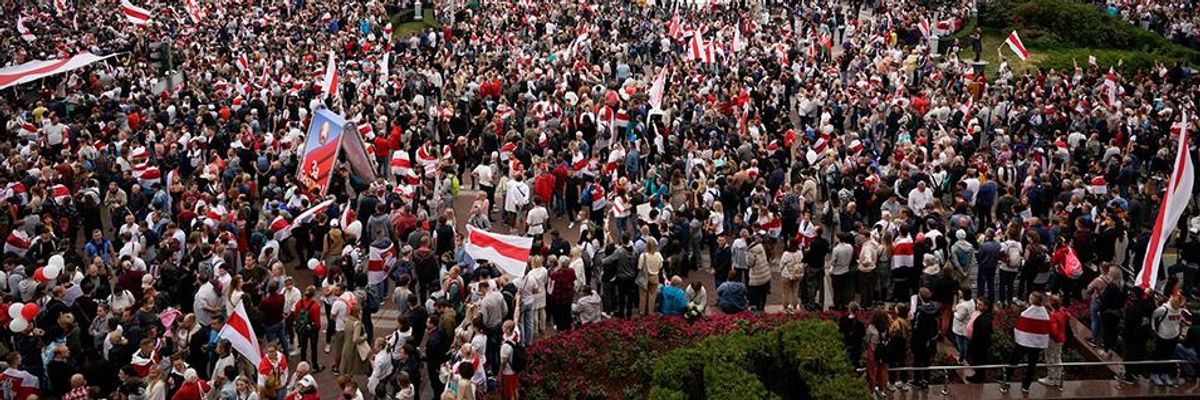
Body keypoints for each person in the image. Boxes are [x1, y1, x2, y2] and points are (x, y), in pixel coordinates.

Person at [1005, 292, 1050, 394]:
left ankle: (1007, 379)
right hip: (1036, 345)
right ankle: (1026, 386)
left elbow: (1020, 326)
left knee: (1014, 360)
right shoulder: (1045, 314)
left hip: (1023, 343)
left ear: (1032, 300)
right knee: (1032, 364)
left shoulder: (1026, 313)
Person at [1150, 292, 1187, 387]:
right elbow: (1153, 316)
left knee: (1169, 356)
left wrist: (1180, 328)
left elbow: (1179, 320)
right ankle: (1155, 374)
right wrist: (1153, 328)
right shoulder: (1163, 309)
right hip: (1163, 335)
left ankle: (1165, 374)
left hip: (1174, 335)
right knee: (1159, 355)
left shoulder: (1180, 309)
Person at [1040, 294, 1070, 388]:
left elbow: (1053, 330)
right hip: (1061, 338)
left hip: (1053, 339)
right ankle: (1058, 377)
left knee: (1050, 358)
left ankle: (1051, 378)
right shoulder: (1062, 312)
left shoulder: (1053, 315)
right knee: (1058, 357)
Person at [965, 297, 993, 383]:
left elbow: (984, 334)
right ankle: (977, 375)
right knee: (976, 361)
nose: (978, 306)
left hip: (979, 345)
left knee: (979, 361)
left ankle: (979, 378)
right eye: (977, 304)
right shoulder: (978, 314)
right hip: (974, 341)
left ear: (986, 306)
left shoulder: (985, 318)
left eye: (980, 305)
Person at [865, 307, 891, 396]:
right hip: (884, 352)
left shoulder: (871, 328)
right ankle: (882, 390)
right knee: (883, 371)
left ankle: (871, 391)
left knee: (872, 372)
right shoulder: (887, 327)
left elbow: (867, 339)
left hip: (873, 351)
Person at [637, 239, 664, 316]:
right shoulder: (658, 255)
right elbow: (661, 266)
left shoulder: (643, 256)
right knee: (652, 296)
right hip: (655, 277)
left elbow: (639, 267)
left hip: (645, 277)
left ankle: (642, 311)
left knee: (643, 295)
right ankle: (650, 311)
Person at [779, 239, 804, 312]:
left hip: (786, 275)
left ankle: (785, 306)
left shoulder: (786, 254)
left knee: (786, 292)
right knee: (795, 291)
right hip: (797, 274)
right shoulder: (799, 253)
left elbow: (781, 266)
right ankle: (794, 306)